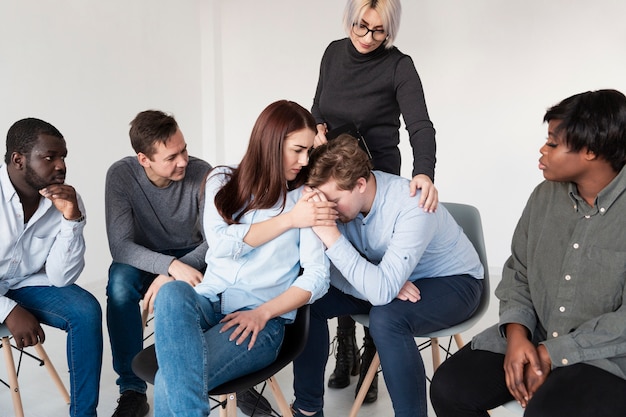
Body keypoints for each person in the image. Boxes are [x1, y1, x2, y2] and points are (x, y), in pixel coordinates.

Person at [430, 89, 626, 417]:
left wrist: (552, 352)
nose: (542, 149)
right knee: (450, 389)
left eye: (552, 142)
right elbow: (518, 271)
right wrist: (518, 338)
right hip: (536, 334)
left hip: (606, 356)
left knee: (546, 411)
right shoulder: (543, 197)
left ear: (591, 150)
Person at [151, 99, 331, 416]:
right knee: (172, 292)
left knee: (170, 379)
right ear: (271, 144)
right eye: (297, 149)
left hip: (259, 322)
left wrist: (263, 313)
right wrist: (289, 220)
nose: (304, 160)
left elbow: (317, 277)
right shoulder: (222, 180)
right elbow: (219, 247)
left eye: (308, 151)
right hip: (208, 301)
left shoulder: (307, 198)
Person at [291, 135, 484, 417]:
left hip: (454, 282)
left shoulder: (412, 203)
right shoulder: (339, 204)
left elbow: (378, 290)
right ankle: (307, 410)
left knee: (387, 319)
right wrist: (379, 285)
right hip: (385, 279)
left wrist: (332, 238)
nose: (327, 210)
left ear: (360, 184)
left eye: (334, 200)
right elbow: (332, 274)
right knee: (309, 298)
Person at [311, 0, 439, 400]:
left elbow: (420, 125)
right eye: (361, 26)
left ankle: (371, 354)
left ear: (391, 30)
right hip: (333, 170)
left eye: (378, 30)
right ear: (350, 19)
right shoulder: (333, 53)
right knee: (337, 249)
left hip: (373, 176)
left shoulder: (399, 65)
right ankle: (344, 341)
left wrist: (424, 172)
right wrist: (315, 128)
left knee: (373, 257)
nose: (367, 38)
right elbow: (317, 108)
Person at [105, 110, 212, 417]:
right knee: (120, 285)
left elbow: (215, 242)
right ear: (144, 159)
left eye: (184, 150)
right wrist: (169, 266)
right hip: (144, 256)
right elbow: (121, 246)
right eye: (171, 157)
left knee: (225, 278)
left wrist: (177, 267)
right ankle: (132, 389)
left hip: (194, 254)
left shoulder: (202, 172)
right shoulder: (121, 176)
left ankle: (229, 378)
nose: (183, 161)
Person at [0, 118, 103, 417]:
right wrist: (7, 310)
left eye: (63, 157)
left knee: (85, 310)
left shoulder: (65, 199)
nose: (61, 166)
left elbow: (61, 277)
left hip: (27, 284)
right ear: (18, 159)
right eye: (50, 157)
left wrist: (72, 219)